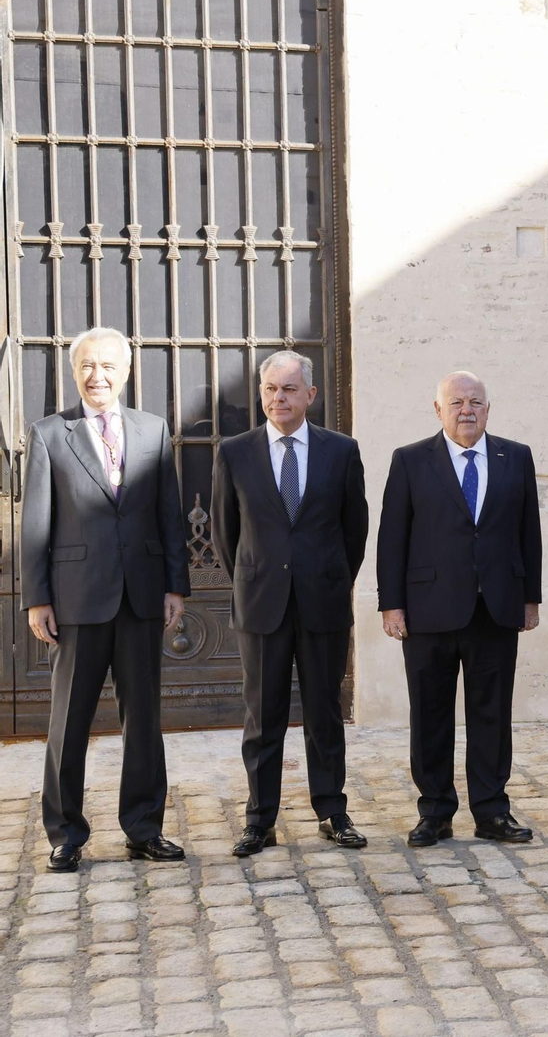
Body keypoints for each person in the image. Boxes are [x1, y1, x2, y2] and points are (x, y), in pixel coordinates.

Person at [22, 327, 190, 872]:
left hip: (141, 597)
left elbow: (169, 514)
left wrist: (174, 585)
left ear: (126, 372)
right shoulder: (50, 434)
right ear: (75, 373)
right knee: (69, 721)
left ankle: (144, 828)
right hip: (77, 599)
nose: (98, 376)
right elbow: (35, 526)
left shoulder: (153, 430)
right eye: (88, 366)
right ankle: (65, 832)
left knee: (143, 719)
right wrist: (37, 597)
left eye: (108, 366)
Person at [212, 351, 369, 856]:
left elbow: (355, 532)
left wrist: (329, 576)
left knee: (325, 710)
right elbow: (224, 535)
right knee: (263, 715)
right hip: (261, 604)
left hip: (322, 602)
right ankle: (260, 819)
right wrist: (254, 576)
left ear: (310, 395)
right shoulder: (234, 452)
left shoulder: (341, 451)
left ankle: (331, 810)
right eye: (270, 390)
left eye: (288, 389)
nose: (278, 399)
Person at [377, 371, 542, 846]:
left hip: (497, 608)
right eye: (456, 402)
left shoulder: (516, 457)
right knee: (430, 715)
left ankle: (491, 811)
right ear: (438, 409)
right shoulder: (410, 461)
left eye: (475, 402)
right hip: (428, 610)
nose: (466, 410)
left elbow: (528, 533)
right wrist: (392, 605)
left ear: (488, 409)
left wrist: (530, 597)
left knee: (492, 714)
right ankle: (434, 812)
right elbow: (393, 539)